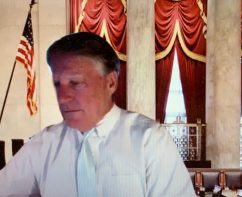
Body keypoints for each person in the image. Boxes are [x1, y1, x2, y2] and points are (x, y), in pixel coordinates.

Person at [0, 32, 196, 196]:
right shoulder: (43, 145)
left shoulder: (149, 140)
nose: (62, 98)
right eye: (58, 85)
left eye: (75, 83)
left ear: (111, 83)